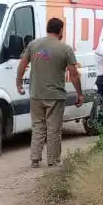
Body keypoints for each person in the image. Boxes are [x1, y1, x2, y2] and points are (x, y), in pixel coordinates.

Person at [16, 17, 84, 168]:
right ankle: (53, 160)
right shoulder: (65, 49)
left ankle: (35, 159)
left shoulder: (33, 45)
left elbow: (22, 64)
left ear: (48, 29)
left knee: (38, 126)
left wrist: (19, 83)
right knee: (54, 128)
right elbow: (73, 74)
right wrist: (79, 93)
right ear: (60, 30)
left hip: (36, 94)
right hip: (55, 96)